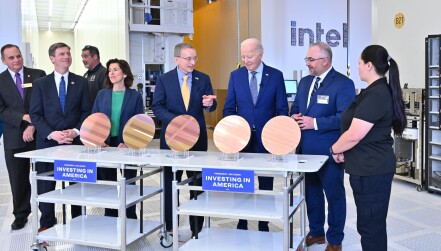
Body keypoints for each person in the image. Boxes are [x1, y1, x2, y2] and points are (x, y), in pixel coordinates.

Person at [331, 45, 406, 251]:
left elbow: (355, 134)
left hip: (372, 171)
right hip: (368, 168)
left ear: (369, 65)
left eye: (359, 63)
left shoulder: (377, 94)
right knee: (370, 225)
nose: (358, 67)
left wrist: (335, 149)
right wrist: (343, 150)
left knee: (371, 227)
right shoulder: (375, 91)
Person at [290, 42, 355, 251]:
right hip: (305, 150)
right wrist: (294, 116)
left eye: (311, 59)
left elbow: (345, 118)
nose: (307, 63)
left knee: (334, 194)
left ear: (325, 61)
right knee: (312, 193)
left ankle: (335, 239)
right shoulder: (305, 82)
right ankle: (316, 232)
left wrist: (314, 123)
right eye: (307, 59)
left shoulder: (343, 84)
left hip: (330, 151)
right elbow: (297, 107)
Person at [152, 42, 217, 237]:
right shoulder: (164, 80)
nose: (192, 62)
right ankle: (170, 227)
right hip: (172, 140)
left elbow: (210, 107)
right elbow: (157, 107)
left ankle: (196, 228)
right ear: (177, 59)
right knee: (171, 183)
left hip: (197, 140)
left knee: (197, 184)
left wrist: (210, 104)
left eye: (195, 58)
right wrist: (179, 122)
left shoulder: (203, 78)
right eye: (188, 58)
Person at [223, 38, 289, 232]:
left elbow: (282, 110)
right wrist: (233, 134)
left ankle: (264, 223)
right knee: (242, 182)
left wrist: (277, 141)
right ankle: (242, 221)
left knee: (266, 184)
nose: (246, 60)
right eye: (243, 56)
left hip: (267, 140)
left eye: (249, 56)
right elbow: (229, 109)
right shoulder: (236, 76)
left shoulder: (275, 76)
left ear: (261, 54)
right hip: (241, 141)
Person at [30, 42, 92, 232]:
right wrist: (52, 133)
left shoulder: (81, 82)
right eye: (62, 54)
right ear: (52, 58)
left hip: (74, 142)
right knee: (45, 183)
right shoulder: (41, 84)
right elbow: (35, 114)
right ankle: (47, 221)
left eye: (68, 53)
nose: (66, 56)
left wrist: (76, 131)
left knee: (77, 184)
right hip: (48, 143)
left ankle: (78, 220)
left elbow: (86, 111)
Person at [0, 44, 46, 230]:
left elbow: (44, 102)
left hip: (39, 135)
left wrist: (32, 124)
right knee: (18, 178)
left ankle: (47, 214)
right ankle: (21, 214)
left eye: (18, 56)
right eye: (11, 58)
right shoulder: (0, 81)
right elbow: (1, 110)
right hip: (13, 137)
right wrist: (22, 118)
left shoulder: (37, 75)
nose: (16, 60)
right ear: (4, 60)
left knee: (44, 176)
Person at [92, 58, 143, 219]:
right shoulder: (102, 94)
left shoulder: (134, 96)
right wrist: (98, 139)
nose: (111, 73)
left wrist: (130, 142)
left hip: (126, 144)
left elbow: (139, 122)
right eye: (110, 70)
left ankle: (130, 217)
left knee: (129, 183)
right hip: (106, 144)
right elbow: (95, 119)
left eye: (115, 69)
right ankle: (110, 217)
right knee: (108, 184)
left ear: (125, 73)